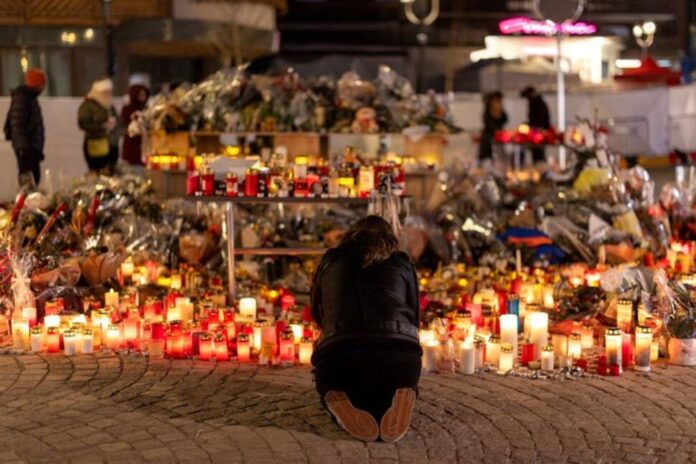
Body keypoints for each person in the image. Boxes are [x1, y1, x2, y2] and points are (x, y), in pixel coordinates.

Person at [311, 215, 421, 442]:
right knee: (390, 382)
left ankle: (337, 394)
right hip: (400, 358)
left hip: (339, 357)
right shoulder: (402, 261)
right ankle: (403, 389)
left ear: (350, 236)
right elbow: (414, 316)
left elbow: (317, 312)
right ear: (390, 238)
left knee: (333, 381)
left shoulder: (330, 259)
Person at [4, 68, 46, 189]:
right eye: (42, 84)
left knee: (32, 179)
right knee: (29, 180)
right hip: (27, 148)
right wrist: (23, 148)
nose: (43, 87)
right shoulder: (23, 99)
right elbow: (17, 125)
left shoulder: (28, 98)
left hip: (30, 147)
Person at [78, 77, 120, 175]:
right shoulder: (88, 105)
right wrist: (102, 126)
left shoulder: (109, 105)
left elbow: (117, 119)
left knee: (110, 172)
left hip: (111, 143)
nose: (108, 95)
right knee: (97, 171)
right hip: (95, 143)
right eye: (105, 92)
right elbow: (83, 123)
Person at [120, 78, 150, 166]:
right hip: (132, 145)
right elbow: (127, 125)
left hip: (144, 144)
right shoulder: (127, 109)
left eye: (144, 95)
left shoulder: (147, 109)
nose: (142, 97)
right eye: (140, 95)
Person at [520, 86, 551, 164]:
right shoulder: (538, 102)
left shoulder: (537, 103)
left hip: (538, 134)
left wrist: (530, 126)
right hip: (537, 133)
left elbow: (538, 121)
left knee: (538, 155)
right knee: (537, 154)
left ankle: (539, 165)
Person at [478, 91, 508, 162]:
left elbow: (505, 119)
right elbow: (493, 127)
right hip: (488, 140)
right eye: (496, 101)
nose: (498, 103)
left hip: (499, 140)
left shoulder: (501, 112)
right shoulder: (487, 113)